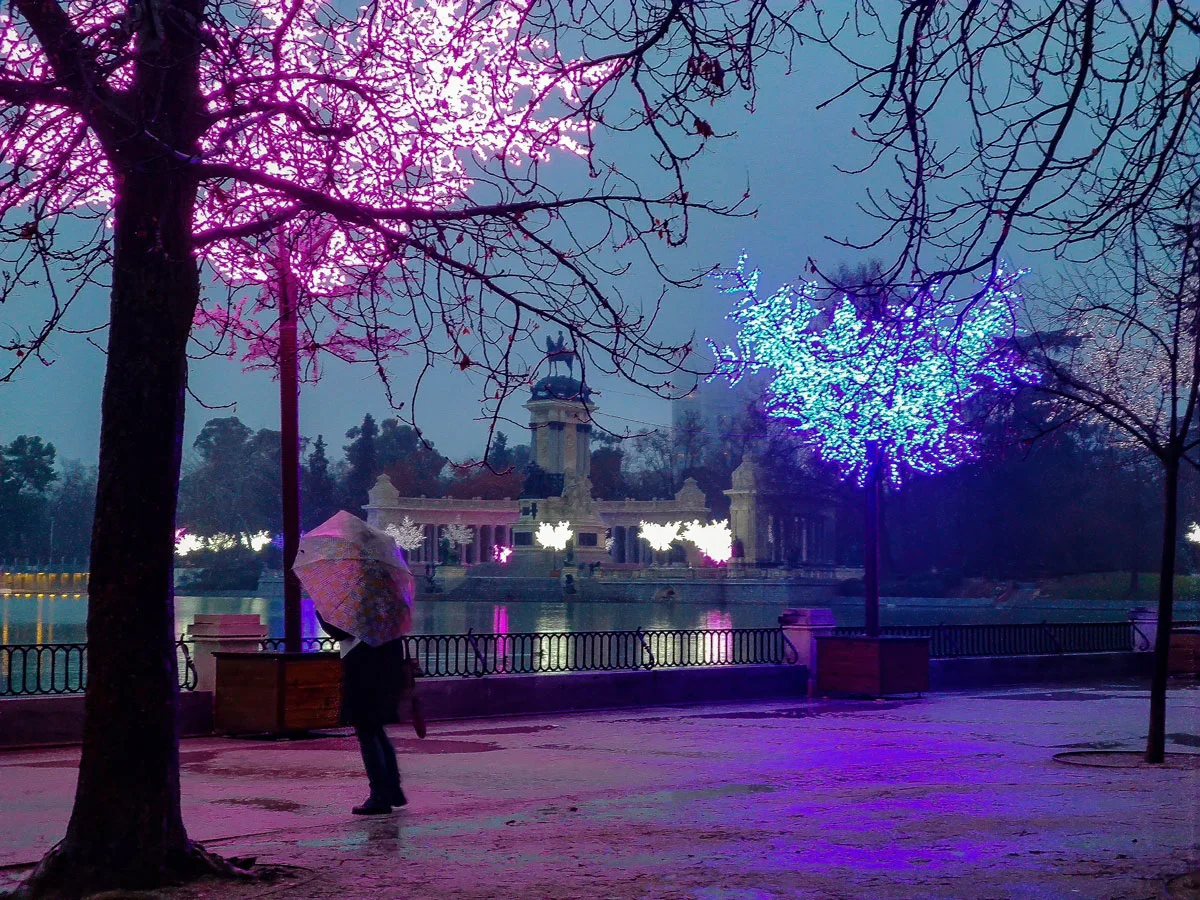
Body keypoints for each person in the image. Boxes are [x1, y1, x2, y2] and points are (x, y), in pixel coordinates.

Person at [317, 611, 411, 815]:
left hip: (364, 672)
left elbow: (340, 632)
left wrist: (323, 611)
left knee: (367, 732)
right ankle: (393, 789)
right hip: (386, 671)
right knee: (377, 729)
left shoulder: (358, 604)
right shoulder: (386, 602)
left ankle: (380, 795)